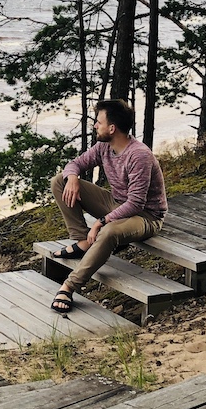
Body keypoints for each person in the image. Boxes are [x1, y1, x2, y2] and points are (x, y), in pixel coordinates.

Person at [47, 98, 167, 314]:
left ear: (112, 128)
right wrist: (72, 176)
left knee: (109, 231)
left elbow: (136, 202)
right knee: (59, 181)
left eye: (98, 122)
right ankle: (83, 241)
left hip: (146, 216)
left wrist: (101, 223)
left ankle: (69, 286)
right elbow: (75, 164)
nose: (95, 125)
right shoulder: (104, 146)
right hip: (117, 204)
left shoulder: (139, 155)